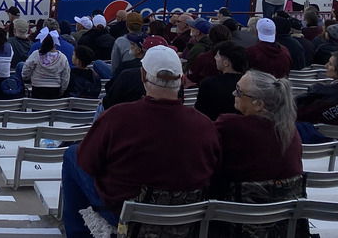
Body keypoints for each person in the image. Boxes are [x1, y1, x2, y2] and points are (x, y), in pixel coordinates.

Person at [61, 45, 220, 238]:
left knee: (72, 155)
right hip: (185, 215)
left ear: (143, 75)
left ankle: (78, 233)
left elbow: (87, 162)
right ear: (180, 79)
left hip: (126, 214)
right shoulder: (204, 124)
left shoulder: (118, 117)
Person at [213, 70, 302, 202]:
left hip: (234, 215)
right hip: (284, 217)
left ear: (259, 104)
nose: (233, 94)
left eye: (239, 91)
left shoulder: (229, 125)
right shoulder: (290, 131)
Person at [195, 41, 248, 121]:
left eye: (217, 55)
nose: (215, 58)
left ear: (226, 63)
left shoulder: (208, 84)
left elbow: (199, 113)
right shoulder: (249, 85)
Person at [21, 29, 70, 98]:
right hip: (55, 90)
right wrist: (62, 90)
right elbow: (65, 77)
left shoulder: (35, 54)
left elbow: (26, 70)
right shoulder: (62, 57)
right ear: (55, 43)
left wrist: (27, 78)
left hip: (37, 89)